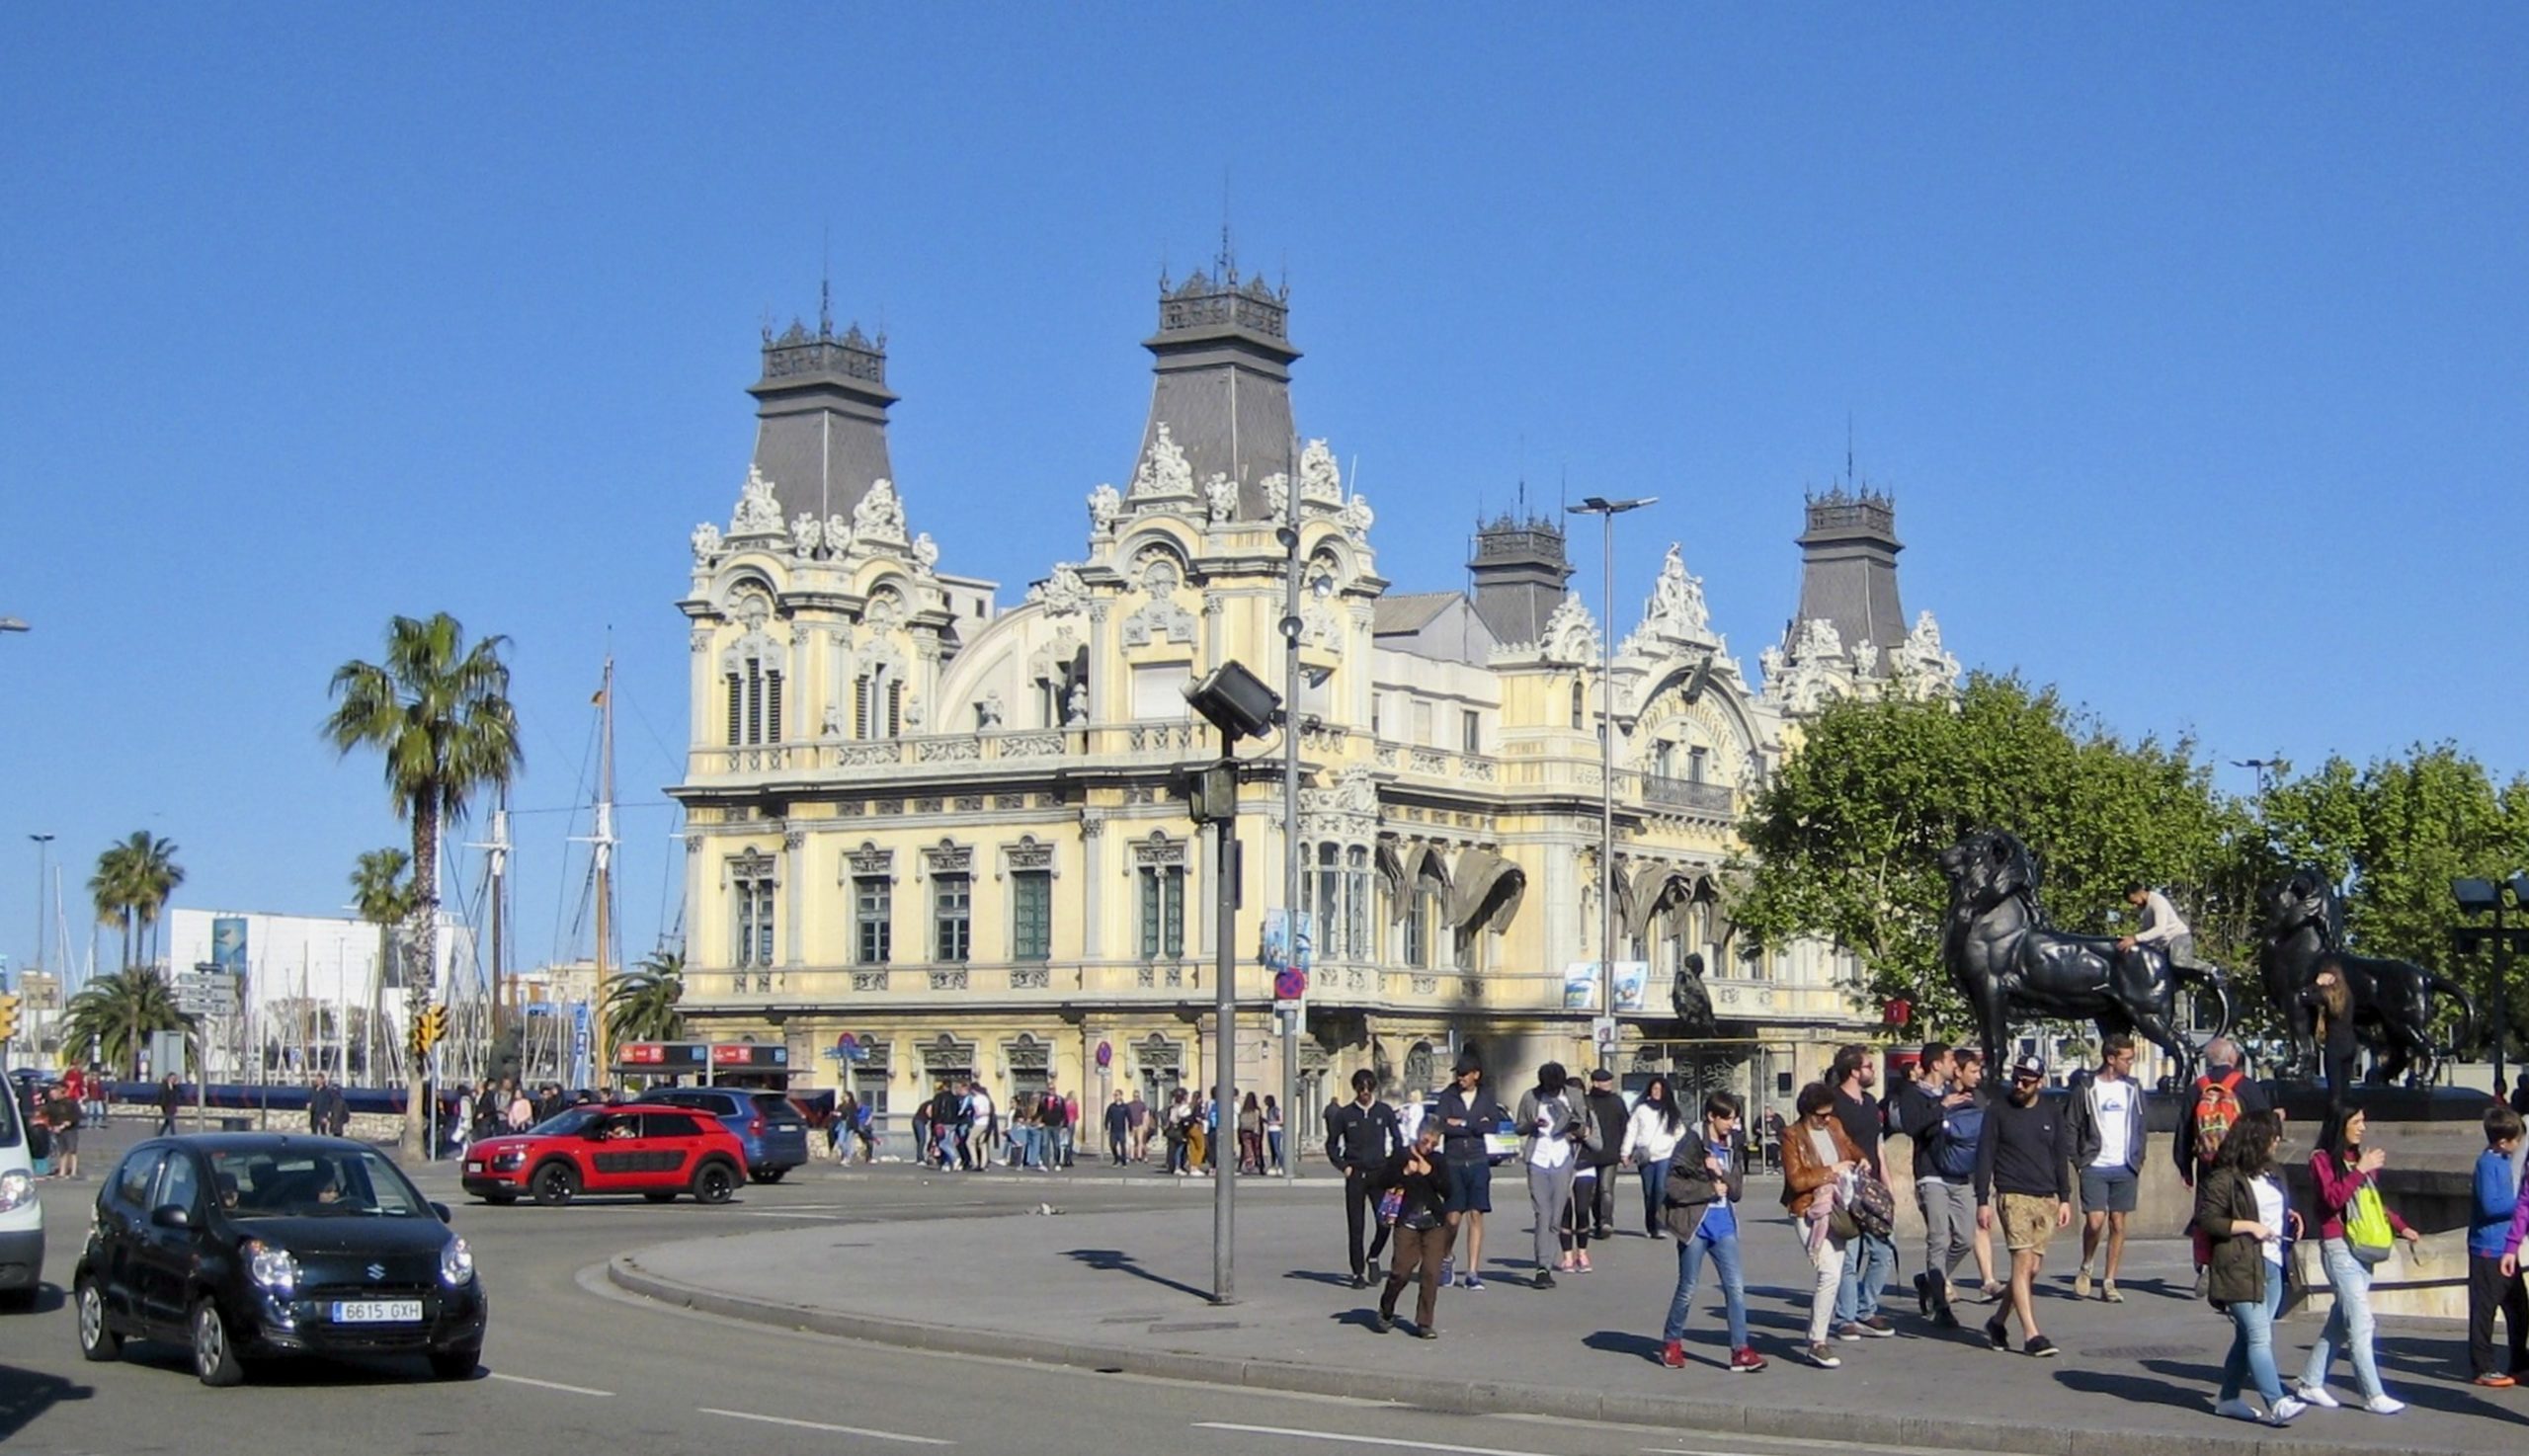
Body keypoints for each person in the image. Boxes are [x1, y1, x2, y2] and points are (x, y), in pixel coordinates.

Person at [2297, 1105, 2422, 1413]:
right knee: (2362, 1322)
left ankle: (2310, 1383)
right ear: (2340, 1126)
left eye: (2364, 1121)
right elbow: (2332, 1199)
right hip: (2338, 1245)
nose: (2363, 1128)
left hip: (2364, 1247)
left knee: (2341, 1321)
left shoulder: (2358, 1159)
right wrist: (2360, 1170)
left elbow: (2369, 1204)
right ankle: (2372, 1394)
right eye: (2356, 1122)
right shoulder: (2321, 1160)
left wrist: (2400, 1225)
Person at [2197, 1110, 2308, 1425]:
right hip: (2238, 1263)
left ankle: (2228, 1398)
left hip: (2272, 1263)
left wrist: (2290, 1216)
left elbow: (2274, 1205)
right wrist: (2249, 1226)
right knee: (2260, 1336)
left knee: (2249, 1336)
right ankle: (2277, 1402)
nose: (2276, 1143)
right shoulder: (2224, 1177)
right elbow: (2208, 1220)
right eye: (2272, 1137)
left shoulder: (2272, 1172)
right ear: (2256, 1139)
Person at [1659, 1091, 1765, 1373]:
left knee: (1736, 1289)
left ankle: (1740, 1350)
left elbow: (1737, 1192)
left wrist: (1721, 1172)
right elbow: (1671, 1187)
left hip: (1724, 1226)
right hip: (1695, 1226)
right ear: (1711, 1116)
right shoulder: (1691, 1144)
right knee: (1688, 1288)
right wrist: (1708, 1189)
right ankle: (1671, 1343)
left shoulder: (1733, 1144)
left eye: (1735, 1118)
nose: (1732, 1124)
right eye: (1727, 1118)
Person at [1973, 1054, 2071, 1358]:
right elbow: (1985, 1154)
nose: (2018, 1084)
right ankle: (2032, 1334)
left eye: (2025, 1081)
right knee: (2021, 1262)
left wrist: (2065, 1197)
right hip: (2012, 1194)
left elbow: (2060, 1155)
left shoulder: (2051, 1112)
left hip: (2046, 1196)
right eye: (2015, 1078)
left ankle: (1998, 1321)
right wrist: (1982, 1200)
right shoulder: (1998, 1110)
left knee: (2033, 1269)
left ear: (2038, 1082)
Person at [2179, 1036, 2274, 1298]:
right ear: (2232, 1058)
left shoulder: (2196, 1089)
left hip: (2209, 1167)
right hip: (2242, 1165)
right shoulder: (2246, 1087)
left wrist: (2185, 1168)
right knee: (2243, 1215)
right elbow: (2265, 1126)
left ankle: (2205, 1264)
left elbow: (2184, 1132)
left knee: (2207, 1216)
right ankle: (2242, 1268)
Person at [1780, 1082, 1861, 1368]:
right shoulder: (1792, 1135)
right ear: (1807, 1112)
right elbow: (1797, 1180)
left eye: (1829, 1114)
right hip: (1808, 1211)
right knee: (1828, 1272)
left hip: (1837, 1207)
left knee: (1835, 1274)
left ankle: (1818, 1335)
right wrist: (1831, 1171)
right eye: (1821, 1115)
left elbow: (1851, 1148)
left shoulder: (1835, 1126)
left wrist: (1862, 1161)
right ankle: (1817, 1342)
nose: (1826, 1120)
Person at [2067, 1032, 2147, 1302]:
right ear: (2111, 1059)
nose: (2130, 1064)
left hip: (2125, 1164)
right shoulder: (2087, 1088)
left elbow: (2140, 1125)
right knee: (2095, 1220)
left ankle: (2110, 1280)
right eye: (2127, 1059)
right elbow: (2072, 1124)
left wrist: (2138, 1158)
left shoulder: (2133, 1088)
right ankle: (2087, 1264)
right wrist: (2078, 1160)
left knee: (2118, 1222)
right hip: (2095, 1163)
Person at [1911, 1048, 1987, 1327]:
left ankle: (1930, 1280)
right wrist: (1942, 1105)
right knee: (1939, 1238)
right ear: (1940, 1065)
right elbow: (1912, 1126)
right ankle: (1941, 1305)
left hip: (1961, 1175)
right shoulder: (1916, 1094)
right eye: (1950, 1060)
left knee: (1966, 1238)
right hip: (1931, 1174)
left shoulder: (1973, 1096)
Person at [1828, 1044, 1896, 1338]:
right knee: (1849, 1253)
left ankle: (1866, 1308)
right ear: (1855, 1071)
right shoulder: (1834, 1103)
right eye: (1868, 1066)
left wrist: (1888, 1181)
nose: (1873, 1070)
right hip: (1847, 1187)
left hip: (1873, 1187)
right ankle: (1846, 1317)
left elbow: (1878, 1144)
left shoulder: (1870, 1103)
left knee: (1883, 1251)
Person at [1367, 1124, 1452, 1338]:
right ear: (1419, 1135)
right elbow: (1382, 1181)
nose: (1429, 1146)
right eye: (1426, 1140)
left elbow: (1448, 1190)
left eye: (1434, 1143)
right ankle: (1386, 1309)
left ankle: (1424, 1322)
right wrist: (1405, 1172)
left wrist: (1429, 1172)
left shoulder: (1439, 1160)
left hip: (1434, 1223)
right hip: (1407, 1222)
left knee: (1431, 1273)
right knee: (1401, 1272)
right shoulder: (1401, 1155)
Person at [2468, 1104, 2529, 1386]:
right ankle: (2483, 1367)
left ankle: (2519, 1362)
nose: (2519, 1146)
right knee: (2484, 1311)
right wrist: (2520, 1205)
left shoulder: (2504, 1161)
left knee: (2519, 1309)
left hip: (2505, 1249)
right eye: (2517, 1140)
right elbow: (2491, 1206)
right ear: (2503, 1141)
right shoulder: (2487, 1164)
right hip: (2488, 1248)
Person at [1327, 1069, 1402, 1288]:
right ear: (1356, 1089)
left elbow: (1397, 1138)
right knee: (1356, 1225)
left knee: (1386, 1220)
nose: (1365, 1093)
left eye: (1369, 1089)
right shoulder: (1345, 1115)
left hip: (1380, 1173)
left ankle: (1374, 1256)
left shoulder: (1384, 1111)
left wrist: (1392, 1163)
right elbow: (1331, 1144)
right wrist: (1343, 1166)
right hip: (1356, 1174)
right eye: (1361, 1089)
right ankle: (1357, 1272)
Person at [1515, 1062, 1588, 1288]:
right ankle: (1543, 1267)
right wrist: (1532, 1124)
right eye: (1549, 1088)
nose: (1552, 1091)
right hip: (1538, 1158)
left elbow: (1583, 1126)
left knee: (1556, 1216)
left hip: (1562, 1158)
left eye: (1556, 1088)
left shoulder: (1574, 1096)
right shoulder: (1531, 1097)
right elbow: (1518, 1127)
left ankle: (1550, 1256)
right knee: (1542, 1214)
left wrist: (1571, 1127)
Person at [1433, 1057, 1504, 1291]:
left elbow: (1492, 1125)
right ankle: (1446, 1257)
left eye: (1465, 1074)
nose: (1460, 1078)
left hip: (1478, 1159)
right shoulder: (1448, 1095)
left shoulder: (1486, 1096)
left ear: (1476, 1074)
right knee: (1452, 1218)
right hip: (1452, 1160)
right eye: (1459, 1074)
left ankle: (1472, 1271)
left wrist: (1463, 1123)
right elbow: (1442, 1124)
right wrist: (1471, 1124)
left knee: (1476, 1214)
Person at [1623, 1074, 1686, 1239]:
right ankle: (1650, 1224)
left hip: (1665, 1155)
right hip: (1645, 1156)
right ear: (1649, 1091)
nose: (1657, 1091)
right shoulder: (1641, 1109)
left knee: (1660, 1189)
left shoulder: (1671, 1111)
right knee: (1649, 1192)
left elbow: (1680, 1132)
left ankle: (1660, 1225)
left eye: (1660, 1089)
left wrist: (1677, 1149)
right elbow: (1631, 1131)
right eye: (1654, 1088)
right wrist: (1625, 1152)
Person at [2301, 962, 2361, 1113]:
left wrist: (2317, 984)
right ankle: (2347, 1115)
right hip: (2350, 1043)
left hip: (2335, 1044)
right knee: (2345, 1086)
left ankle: (2335, 1118)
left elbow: (2304, 997)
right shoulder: (2348, 995)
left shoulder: (2326, 996)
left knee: (2334, 1089)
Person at [1581, 1068, 1628, 1239]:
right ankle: (1598, 1221)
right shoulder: (1586, 1102)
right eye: (1604, 1081)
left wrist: (1625, 1150)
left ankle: (1606, 1221)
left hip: (1610, 1153)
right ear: (1594, 1083)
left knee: (1606, 1188)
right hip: (1590, 1153)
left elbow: (1625, 1126)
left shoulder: (1617, 1102)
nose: (1608, 1084)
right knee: (1593, 1192)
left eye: (1609, 1081)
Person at [2118, 881, 2195, 965]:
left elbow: (2160, 929)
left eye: (2134, 902)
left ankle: (2209, 969)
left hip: (2178, 937)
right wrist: (2131, 940)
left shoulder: (2157, 901)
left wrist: (2135, 938)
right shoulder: (2143, 909)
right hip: (2165, 945)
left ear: (2139, 893)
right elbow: (2146, 931)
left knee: (2178, 961)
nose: (2134, 905)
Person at [43, 1086, 80, 1179]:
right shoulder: (51, 1104)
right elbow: (50, 1116)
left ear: (60, 1093)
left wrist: (68, 1123)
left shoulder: (70, 1102)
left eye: (54, 1094)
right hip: (57, 1129)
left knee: (72, 1150)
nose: (52, 1096)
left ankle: (73, 1171)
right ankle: (62, 1171)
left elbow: (76, 1115)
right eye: (51, 1094)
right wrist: (52, 1126)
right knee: (62, 1151)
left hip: (70, 1129)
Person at [308, 1072, 349, 1139]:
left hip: (322, 1114)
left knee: (323, 1132)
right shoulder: (313, 1090)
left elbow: (330, 1104)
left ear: (322, 1080)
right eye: (316, 1079)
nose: (317, 1081)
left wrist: (327, 1116)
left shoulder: (327, 1091)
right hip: (314, 1113)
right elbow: (310, 1099)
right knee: (314, 1131)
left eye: (319, 1079)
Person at [1237, 1092, 1265, 1175]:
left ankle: (1247, 1165)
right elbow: (1258, 1122)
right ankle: (1260, 1167)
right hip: (1255, 1132)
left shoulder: (1244, 1110)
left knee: (1247, 1149)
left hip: (1245, 1132)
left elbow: (1240, 1122)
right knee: (1257, 1150)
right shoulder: (1257, 1110)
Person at [1105, 1090, 1132, 1166]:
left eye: (1117, 1095)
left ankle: (1123, 1161)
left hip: (1122, 1130)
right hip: (1113, 1130)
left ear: (1121, 1096)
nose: (1115, 1097)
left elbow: (1129, 1118)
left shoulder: (1125, 1107)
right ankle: (1116, 1157)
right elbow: (1107, 1117)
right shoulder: (1111, 1107)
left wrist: (1130, 1128)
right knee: (1112, 1145)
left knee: (1122, 1145)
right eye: (1114, 1095)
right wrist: (1106, 1126)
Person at [1126, 1091, 1149, 1164]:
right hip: (1132, 1125)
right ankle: (1131, 1156)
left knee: (1140, 1141)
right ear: (1133, 1096)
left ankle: (1139, 1156)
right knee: (1131, 1142)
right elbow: (1127, 1116)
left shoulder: (1142, 1105)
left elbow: (1145, 1115)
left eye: (1137, 1096)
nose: (1136, 1098)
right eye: (1135, 1096)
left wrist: (1145, 1125)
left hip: (1140, 1125)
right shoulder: (1129, 1105)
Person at [1264, 1094, 1284, 1172]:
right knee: (1272, 1149)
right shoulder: (1268, 1110)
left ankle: (1281, 1165)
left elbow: (1281, 1121)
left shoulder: (1276, 1109)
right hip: (1270, 1130)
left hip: (1276, 1130)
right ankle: (1273, 1164)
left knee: (1277, 1149)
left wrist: (1271, 1122)